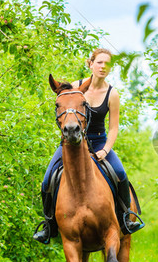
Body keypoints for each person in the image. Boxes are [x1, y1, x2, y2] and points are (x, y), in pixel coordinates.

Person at [33, 48, 142, 244]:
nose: (103, 67)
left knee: (120, 174)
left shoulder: (112, 94)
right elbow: (63, 107)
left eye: (107, 63)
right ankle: (49, 226)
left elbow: (114, 128)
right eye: (99, 62)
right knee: (47, 180)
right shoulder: (76, 87)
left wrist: (105, 150)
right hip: (71, 143)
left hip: (99, 142)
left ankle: (126, 220)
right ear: (90, 64)